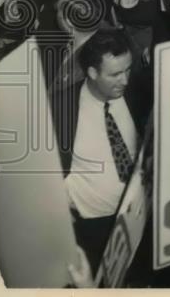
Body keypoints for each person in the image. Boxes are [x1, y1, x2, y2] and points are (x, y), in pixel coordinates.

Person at [53, 28, 150, 272]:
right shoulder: (60, 108)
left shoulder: (138, 92)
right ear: (92, 72)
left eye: (128, 70)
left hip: (139, 215)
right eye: (115, 74)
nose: (125, 80)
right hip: (92, 225)